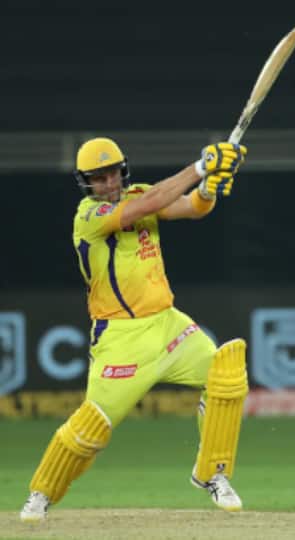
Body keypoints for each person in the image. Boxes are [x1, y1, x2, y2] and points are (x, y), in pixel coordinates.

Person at [20, 137, 250, 521]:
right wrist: (200, 167)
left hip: (168, 324)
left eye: (113, 174)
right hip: (120, 338)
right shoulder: (88, 216)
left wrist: (208, 188)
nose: (109, 183)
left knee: (225, 373)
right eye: (99, 178)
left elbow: (192, 207)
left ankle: (212, 473)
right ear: (86, 182)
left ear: (122, 170)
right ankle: (41, 493)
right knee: (91, 428)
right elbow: (148, 204)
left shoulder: (141, 193)